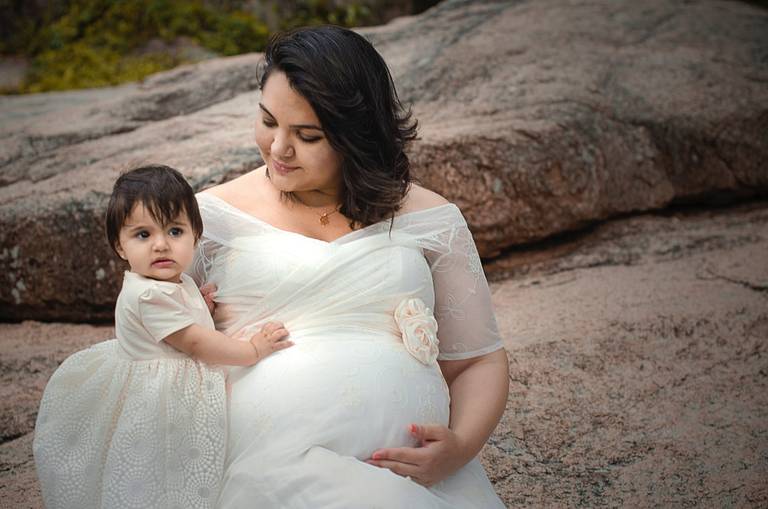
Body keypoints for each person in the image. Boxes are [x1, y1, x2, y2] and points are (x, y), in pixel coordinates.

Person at [192, 25, 509, 508]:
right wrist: (188, 320)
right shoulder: (207, 219)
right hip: (269, 466)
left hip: (417, 481)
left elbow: (478, 360)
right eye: (267, 121)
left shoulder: (431, 219)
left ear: (356, 135)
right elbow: (148, 340)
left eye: (307, 135)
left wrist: (462, 447)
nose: (279, 148)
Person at [33, 165, 292, 509]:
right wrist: (251, 349)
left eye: (174, 231)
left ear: (195, 235)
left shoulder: (169, 282)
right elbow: (195, 342)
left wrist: (201, 305)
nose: (160, 245)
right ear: (119, 246)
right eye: (143, 234)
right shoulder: (149, 295)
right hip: (159, 393)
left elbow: (182, 320)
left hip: (168, 374)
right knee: (161, 461)